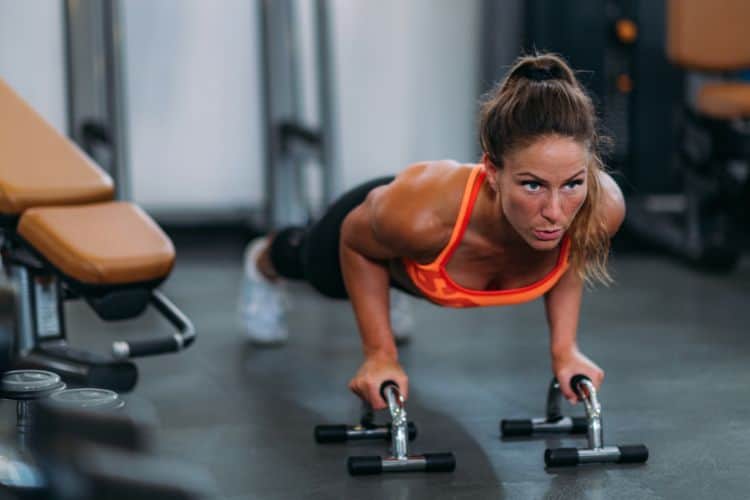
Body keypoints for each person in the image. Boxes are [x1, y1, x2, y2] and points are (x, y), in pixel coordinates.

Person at [238, 53, 625, 410]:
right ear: (493, 172)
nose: (556, 213)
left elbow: (573, 253)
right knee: (316, 269)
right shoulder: (420, 219)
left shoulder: (600, 207)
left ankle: (392, 288)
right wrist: (380, 354)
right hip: (388, 221)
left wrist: (565, 350)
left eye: (572, 184)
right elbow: (356, 242)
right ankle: (262, 260)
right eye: (533, 186)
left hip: (419, 257)